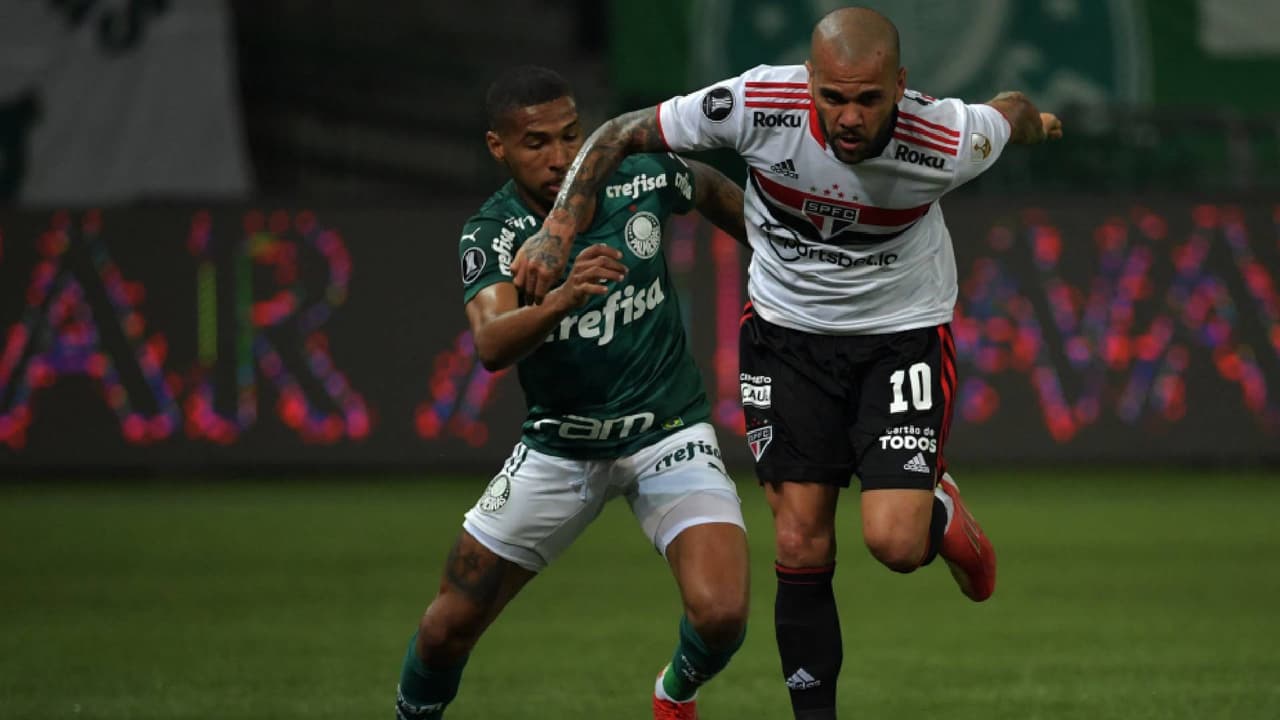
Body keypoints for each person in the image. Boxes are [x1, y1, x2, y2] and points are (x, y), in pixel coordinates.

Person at [511, 8, 1063, 719]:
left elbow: (1007, 112)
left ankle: (940, 510)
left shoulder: (947, 137)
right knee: (800, 539)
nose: (850, 117)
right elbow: (618, 133)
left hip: (900, 336)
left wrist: (1035, 122)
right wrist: (558, 228)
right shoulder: (755, 104)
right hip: (786, 337)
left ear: (901, 86)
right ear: (808, 81)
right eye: (833, 97)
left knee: (895, 543)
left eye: (869, 99)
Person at [395, 66, 752, 720]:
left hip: (666, 432)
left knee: (722, 614)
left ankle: (674, 693)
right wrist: (561, 300)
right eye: (536, 143)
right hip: (560, 449)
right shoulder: (494, 232)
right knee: (446, 627)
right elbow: (492, 344)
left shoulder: (639, 178)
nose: (561, 157)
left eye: (570, 135)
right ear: (498, 147)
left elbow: (704, 184)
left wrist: (777, 250)